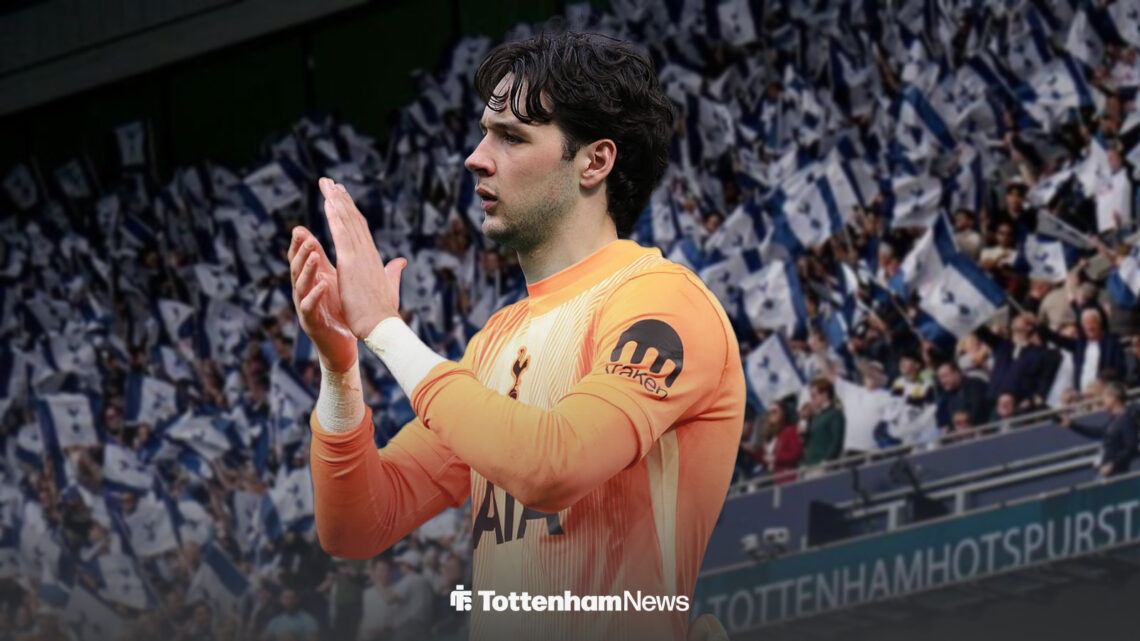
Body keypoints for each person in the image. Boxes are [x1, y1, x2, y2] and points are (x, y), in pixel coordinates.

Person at [290, 32, 744, 641]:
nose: (477, 157)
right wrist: (341, 369)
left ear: (594, 162)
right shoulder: (493, 344)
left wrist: (385, 329)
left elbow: (554, 465)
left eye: (511, 136)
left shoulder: (661, 300)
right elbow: (358, 525)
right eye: (484, 132)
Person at [1059, 381, 1140, 478]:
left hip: (1116, 473)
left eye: (1105, 397)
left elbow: (1131, 447)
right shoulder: (1114, 421)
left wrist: (1113, 464)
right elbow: (1097, 432)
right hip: (1107, 471)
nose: (1102, 400)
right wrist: (1072, 425)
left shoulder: (1125, 421)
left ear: (1113, 398)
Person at [799, 378, 845, 465]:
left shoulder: (834, 414)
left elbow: (837, 441)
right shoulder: (816, 417)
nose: (811, 399)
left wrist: (827, 461)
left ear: (824, 394)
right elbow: (810, 442)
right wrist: (803, 434)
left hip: (823, 465)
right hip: (810, 464)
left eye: (814, 396)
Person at [934, 361, 990, 432]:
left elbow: (977, 410)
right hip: (958, 438)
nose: (943, 381)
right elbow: (941, 421)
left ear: (956, 373)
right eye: (940, 378)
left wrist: (961, 421)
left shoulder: (974, 384)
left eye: (945, 376)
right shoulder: (945, 397)